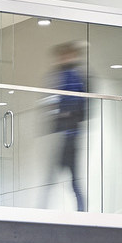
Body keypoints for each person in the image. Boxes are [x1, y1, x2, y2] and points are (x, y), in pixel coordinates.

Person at [46, 42, 88, 211]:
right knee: (60, 178)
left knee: (71, 178)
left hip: (70, 135)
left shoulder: (74, 77)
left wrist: (64, 116)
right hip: (63, 135)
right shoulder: (61, 75)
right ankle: (80, 210)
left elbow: (80, 106)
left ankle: (82, 211)